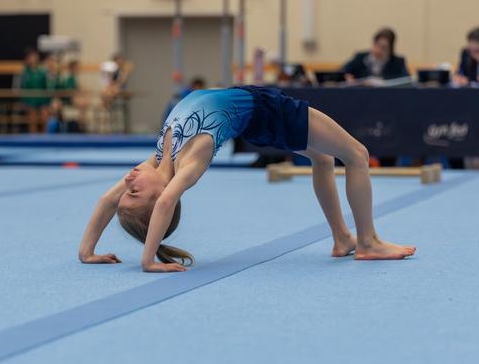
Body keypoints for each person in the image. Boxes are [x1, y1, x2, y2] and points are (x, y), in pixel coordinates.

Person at [78, 85, 416, 272]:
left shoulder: (157, 159)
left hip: (256, 114)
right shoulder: (191, 163)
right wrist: (149, 260)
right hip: (266, 110)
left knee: (323, 159)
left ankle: (343, 238)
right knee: (356, 154)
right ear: (159, 198)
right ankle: (368, 242)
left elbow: (106, 200)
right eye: (134, 193)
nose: (128, 180)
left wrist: (86, 252)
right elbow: (167, 202)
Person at [340, 28, 409, 83]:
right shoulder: (360, 58)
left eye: (383, 47)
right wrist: (346, 77)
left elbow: (407, 81)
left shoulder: (398, 62)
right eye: (377, 45)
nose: (378, 50)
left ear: (390, 49)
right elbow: (341, 72)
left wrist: (382, 81)